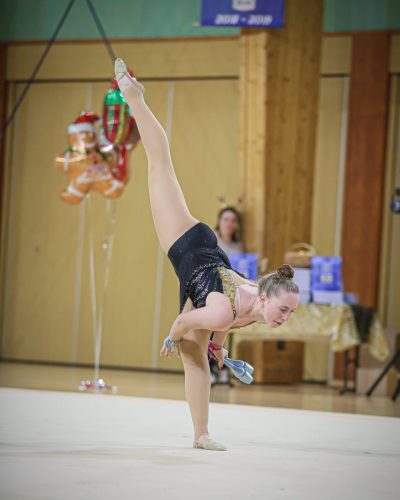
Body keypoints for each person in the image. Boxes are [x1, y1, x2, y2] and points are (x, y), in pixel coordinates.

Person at [114, 59, 300, 451]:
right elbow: (187, 320)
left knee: (198, 357)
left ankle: (202, 435)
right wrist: (172, 337)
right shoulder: (229, 311)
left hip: (208, 262)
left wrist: (217, 344)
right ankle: (133, 95)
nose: (285, 318)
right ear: (266, 298)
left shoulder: (253, 304)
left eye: (290, 313)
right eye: (284, 310)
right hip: (187, 242)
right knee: (160, 164)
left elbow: (226, 315)